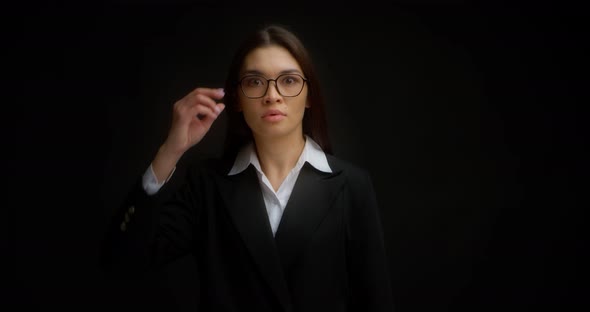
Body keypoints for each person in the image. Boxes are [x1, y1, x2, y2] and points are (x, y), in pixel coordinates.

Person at [101, 24, 394, 312]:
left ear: (310, 97)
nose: (272, 95)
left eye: (289, 80)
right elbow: (123, 259)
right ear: (237, 99)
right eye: (255, 81)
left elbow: (375, 300)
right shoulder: (207, 184)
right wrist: (171, 150)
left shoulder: (352, 185)